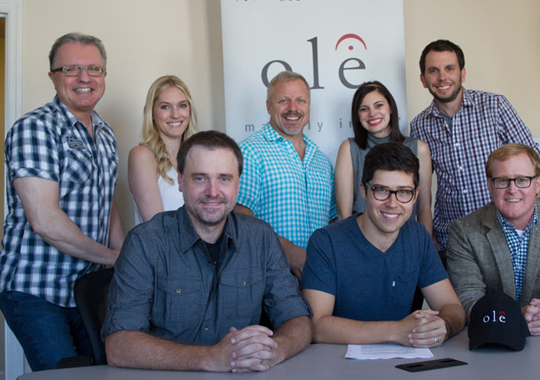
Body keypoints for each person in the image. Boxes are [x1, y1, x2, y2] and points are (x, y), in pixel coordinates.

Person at [103, 131, 311, 372]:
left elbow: (298, 319)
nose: (213, 192)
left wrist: (275, 352)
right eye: (200, 179)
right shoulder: (145, 242)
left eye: (224, 179)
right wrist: (209, 358)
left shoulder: (261, 238)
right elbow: (118, 346)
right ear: (180, 181)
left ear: (238, 183)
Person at [0, 32, 124, 371]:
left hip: (86, 289)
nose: (84, 78)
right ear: (53, 76)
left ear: (103, 76)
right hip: (36, 290)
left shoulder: (105, 132)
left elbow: (106, 199)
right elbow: (44, 220)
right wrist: (114, 257)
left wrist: (125, 255)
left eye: (93, 69)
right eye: (71, 69)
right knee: (63, 375)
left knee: (102, 371)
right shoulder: (34, 128)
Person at [302, 143, 465, 347]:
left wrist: (444, 326)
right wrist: (396, 331)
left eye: (404, 192)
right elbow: (316, 325)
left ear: (416, 195)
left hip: (403, 364)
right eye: (381, 190)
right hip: (338, 364)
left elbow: (452, 307)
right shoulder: (326, 241)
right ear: (364, 191)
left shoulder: (418, 237)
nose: (392, 203)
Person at [410, 39, 540, 255]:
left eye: (449, 68)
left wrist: (523, 221)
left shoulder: (495, 106)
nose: (442, 77)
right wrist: (429, 236)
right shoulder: (420, 125)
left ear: (462, 74)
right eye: (433, 71)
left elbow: (535, 163)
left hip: (503, 231)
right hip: (452, 237)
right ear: (423, 80)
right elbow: (421, 188)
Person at [447, 143, 540, 336]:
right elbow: (467, 299)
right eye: (502, 180)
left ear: (538, 183)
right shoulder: (464, 231)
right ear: (489, 185)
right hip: (493, 341)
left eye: (522, 179)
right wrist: (513, 317)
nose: (512, 190)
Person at [235, 71, 336, 278]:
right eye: (283, 100)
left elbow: (333, 219)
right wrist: (287, 252)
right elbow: (238, 214)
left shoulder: (321, 160)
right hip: (270, 276)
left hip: (320, 277)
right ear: (268, 106)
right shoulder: (249, 152)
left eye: (301, 100)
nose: (293, 108)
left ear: (308, 106)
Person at [335, 81, 433, 236]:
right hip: (362, 238)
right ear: (357, 115)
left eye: (378, 105)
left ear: (391, 108)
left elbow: (424, 209)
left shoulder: (418, 148)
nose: (372, 113)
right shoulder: (349, 149)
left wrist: (424, 248)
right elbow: (344, 214)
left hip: (407, 239)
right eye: (364, 109)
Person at [129, 75, 198, 224]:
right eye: (165, 107)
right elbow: (157, 226)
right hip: (163, 247)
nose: (175, 114)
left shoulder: (196, 157)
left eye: (182, 105)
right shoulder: (142, 156)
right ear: (152, 113)